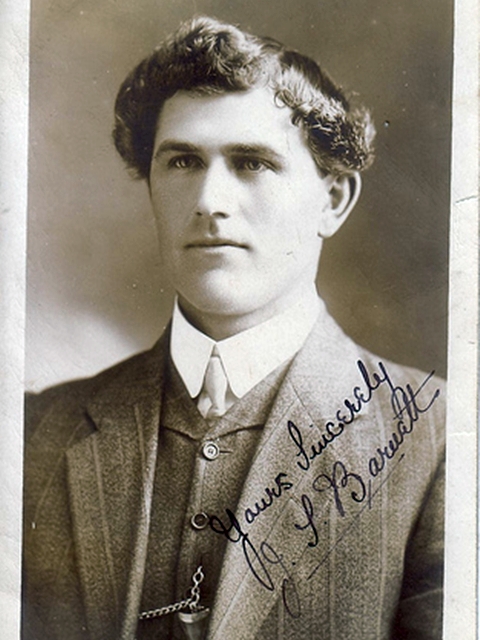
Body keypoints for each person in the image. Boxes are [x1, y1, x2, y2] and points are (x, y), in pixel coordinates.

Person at [23, 16, 445, 640]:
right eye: (183, 161)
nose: (209, 200)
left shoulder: (439, 439)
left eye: (252, 163)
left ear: (333, 200)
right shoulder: (36, 435)